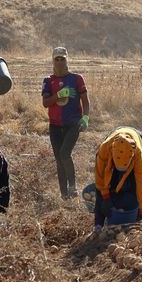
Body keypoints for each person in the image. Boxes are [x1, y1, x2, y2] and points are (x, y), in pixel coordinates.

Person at [42, 47, 90, 200]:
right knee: (58, 159)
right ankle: (64, 194)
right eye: (57, 59)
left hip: (72, 124)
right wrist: (59, 95)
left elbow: (85, 100)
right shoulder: (48, 80)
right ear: (53, 60)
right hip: (55, 125)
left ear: (67, 59)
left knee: (65, 154)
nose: (60, 61)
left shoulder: (77, 79)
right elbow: (45, 103)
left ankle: (73, 187)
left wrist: (86, 117)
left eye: (62, 58)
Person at [93, 127, 142, 229]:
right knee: (106, 186)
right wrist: (105, 197)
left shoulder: (137, 153)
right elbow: (100, 177)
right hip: (114, 138)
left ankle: (141, 207)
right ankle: (98, 225)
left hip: (136, 136)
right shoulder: (104, 149)